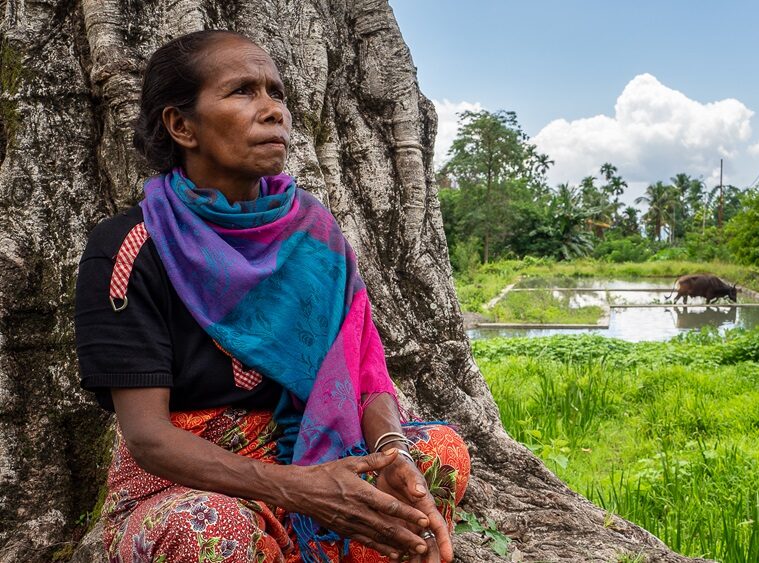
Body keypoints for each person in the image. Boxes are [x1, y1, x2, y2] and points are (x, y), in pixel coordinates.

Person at [74, 30, 470, 563]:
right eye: (242, 91)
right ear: (181, 125)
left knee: (436, 453)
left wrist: (391, 451)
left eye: (276, 93)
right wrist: (295, 486)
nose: (272, 111)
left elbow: (362, 373)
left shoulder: (313, 235)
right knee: (207, 530)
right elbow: (148, 437)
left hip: (318, 452)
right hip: (189, 484)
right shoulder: (132, 247)